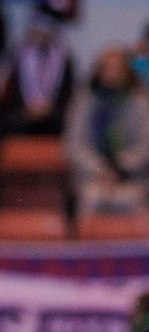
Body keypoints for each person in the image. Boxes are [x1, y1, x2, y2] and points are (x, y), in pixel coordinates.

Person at [64, 47, 149, 216]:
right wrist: (99, 168)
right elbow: (74, 145)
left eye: (117, 68)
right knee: (92, 198)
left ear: (127, 72)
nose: (112, 74)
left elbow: (145, 146)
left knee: (132, 201)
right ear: (98, 71)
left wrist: (120, 167)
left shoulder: (140, 103)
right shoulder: (84, 103)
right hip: (92, 178)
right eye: (107, 68)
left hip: (131, 178)